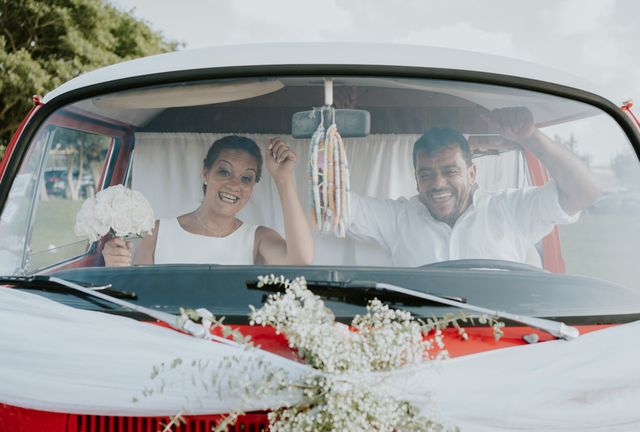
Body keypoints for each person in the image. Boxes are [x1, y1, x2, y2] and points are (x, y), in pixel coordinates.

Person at [344, 106, 601, 266]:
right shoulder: (398, 218)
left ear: (472, 172)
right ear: (416, 179)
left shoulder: (510, 209)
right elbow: (335, 205)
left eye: (450, 171)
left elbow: (584, 192)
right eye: (426, 174)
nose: (438, 183)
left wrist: (530, 137)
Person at [102, 135, 314, 266]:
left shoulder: (259, 238)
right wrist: (115, 265)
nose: (234, 184)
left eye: (246, 178)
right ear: (206, 173)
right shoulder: (156, 233)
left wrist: (283, 178)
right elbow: (140, 296)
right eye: (224, 172)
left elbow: (300, 260)